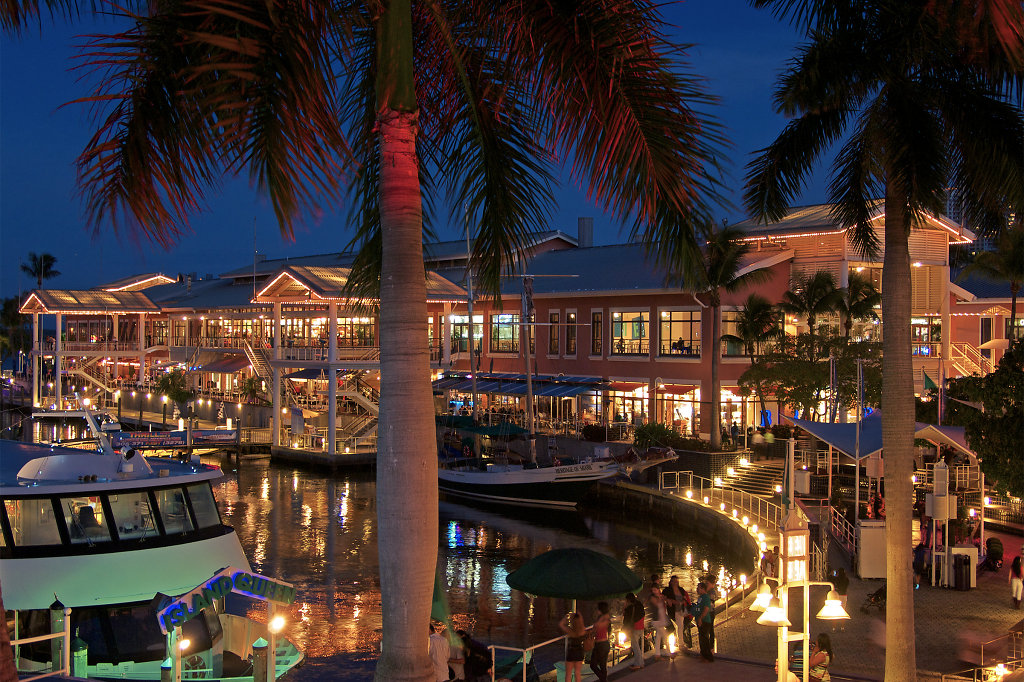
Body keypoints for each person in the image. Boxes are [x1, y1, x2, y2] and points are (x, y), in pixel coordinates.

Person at [664, 575, 692, 648]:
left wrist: (681, 602)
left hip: (681, 610)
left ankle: (680, 643)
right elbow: (662, 597)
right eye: (673, 581)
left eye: (676, 581)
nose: (675, 583)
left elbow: (684, 598)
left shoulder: (681, 589)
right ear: (671, 582)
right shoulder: (667, 590)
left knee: (680, 626)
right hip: (673, 610)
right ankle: (680, 643)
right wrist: (669, 600)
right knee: (678, 626)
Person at [558, 611, 587, 682]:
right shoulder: (583, 630)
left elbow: (561, 624)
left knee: (568, 674)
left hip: (571, 652)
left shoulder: (570, 631)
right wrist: (579, 616)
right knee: (577, 673)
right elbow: (580, 621)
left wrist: (565, 618)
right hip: (580, 651)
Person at [623, 592, 646, 670]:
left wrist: (625, 609)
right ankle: (639, 662)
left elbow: (626, 620)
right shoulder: (639, 604)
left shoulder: (629, 608)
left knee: (635, 646)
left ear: (628, 600)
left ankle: (639, 663)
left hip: (634, 628)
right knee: (639, 646)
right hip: (641, 626)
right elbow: (643, 614)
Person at [589, 602, 611, 682]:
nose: (596, 610)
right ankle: (604, 680)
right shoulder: (602, 618)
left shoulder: (605, 618)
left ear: (601, 609)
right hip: (601, 644)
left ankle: (603, 679)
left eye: (598, 609)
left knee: (593, 665)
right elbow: (595, 628)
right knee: (602, 666)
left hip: (602, 645)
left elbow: (597, 625)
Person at [647, 587, 670, 658]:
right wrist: (661, 599)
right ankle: (669, 653)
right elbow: (656, 604)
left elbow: (667, 604)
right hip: (656, 620)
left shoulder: (660, 597)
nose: (654, 591)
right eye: (653, 590)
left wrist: (665, 599)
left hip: (661, 619)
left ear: (658, 589)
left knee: (658, 637)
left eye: (655, 589)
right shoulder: (652, 598)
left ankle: (657, 654)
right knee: (665, 636)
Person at [697, 576, 716, 662]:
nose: (706, 585)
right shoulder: (703, 596)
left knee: (708, 632)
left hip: (709, 615)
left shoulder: (710, 594)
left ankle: (709, 651)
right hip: (705, 616)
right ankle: (704, 653)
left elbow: (707, 607)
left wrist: (700, 618)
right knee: (703, 635)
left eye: (707, 583)